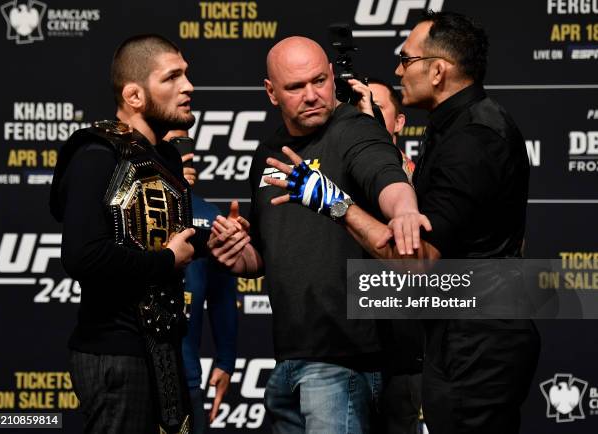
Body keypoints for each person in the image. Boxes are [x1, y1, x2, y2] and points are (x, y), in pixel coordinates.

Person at [264, 11, 540, 434]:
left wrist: (336, 204)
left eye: (406, 59)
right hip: (463, 333)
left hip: (478, 342)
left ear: (438, 71)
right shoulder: (458, 127)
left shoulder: (473, 141)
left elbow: (420, 259)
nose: (397, 69)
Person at [209, 36, 426, 434]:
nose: (312, 96)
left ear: (331, 75)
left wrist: (405, 211)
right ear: (271, 92)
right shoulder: (268, 152)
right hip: (290, 356)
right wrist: (242, 257)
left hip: (343, 360)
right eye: (295, 87)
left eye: (318, 81)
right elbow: (266, 251)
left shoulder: (355, 130)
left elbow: (386, 177)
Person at [50, 34, 197, 433]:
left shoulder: (162, 158)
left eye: (186, 75)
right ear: (134, 95)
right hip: (114, 353)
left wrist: (208, 242)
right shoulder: (96, 157)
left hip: (162, 349)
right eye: (172, 77)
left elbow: (154, 237)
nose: (188, 87)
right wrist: (167, 260)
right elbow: (83, 256)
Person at [164, 129, 238, 433]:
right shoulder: (126, 208)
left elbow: (222, 296)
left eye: (188, 141)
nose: (188, 152)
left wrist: (225, 361)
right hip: (133, 375)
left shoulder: (209, 215)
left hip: (186, 376)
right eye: (174, 144)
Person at [367, 78, 423, 434]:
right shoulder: (331, 176)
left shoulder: (425, 180)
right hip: (348, 346)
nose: (366, 116)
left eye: (377, 108)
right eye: (359, 109)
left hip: (407, 346)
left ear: (400, 123)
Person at [368, 78, 415, 180]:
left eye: (375, 107)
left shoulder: (414, 179)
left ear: (398, 122)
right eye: (359, 107)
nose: (366, 112)